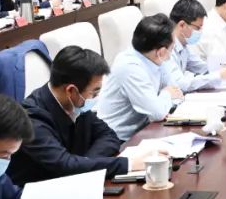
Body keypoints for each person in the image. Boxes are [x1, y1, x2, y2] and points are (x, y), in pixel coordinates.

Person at [9, 47, 145, 184]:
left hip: (74, 184)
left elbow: (108, 136)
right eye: (94, 93)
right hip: (39, 191)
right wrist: (129, 164)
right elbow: (64, 166)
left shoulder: (76, 105)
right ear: (71, 91)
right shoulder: (32, 119)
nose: (96, 98)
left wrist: (82, 164)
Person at [97, 15, 183, 141]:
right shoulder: (129, 66)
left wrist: (166, 99)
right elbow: (158, 111)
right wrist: (166, 95)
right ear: (161, 52)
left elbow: (175, 91)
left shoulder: (154, 56)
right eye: (172, 48)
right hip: (118, 139)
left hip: (144, 128)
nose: (172, 53)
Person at [167, 0, 226, 92]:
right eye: (198, 27)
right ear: (182, 25)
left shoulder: (184, 45)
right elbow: (181, 84)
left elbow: (201, 67)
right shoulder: (166, 48)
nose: (200, 32)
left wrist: (223, 68)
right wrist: (219, 75)